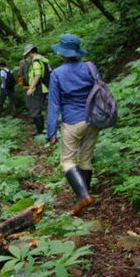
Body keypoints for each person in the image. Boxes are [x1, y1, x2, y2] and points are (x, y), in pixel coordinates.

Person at [46, 34, 100, 214]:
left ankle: (83, 195)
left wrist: (51, 132)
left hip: (72, 121)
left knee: (68, 161)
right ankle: (80, 198)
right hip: (93, 119)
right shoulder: (89, 67)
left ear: (62, 53)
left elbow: (54, 104)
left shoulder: (57, 74)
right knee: (85, 159)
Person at [19, 44, 49, 135]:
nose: (28, 56)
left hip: (38, 88)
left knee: (35, 110)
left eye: (28, 54)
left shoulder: (36, 61)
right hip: (42, 87)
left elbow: (38, 75)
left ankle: (40, 132)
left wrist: (31, 88)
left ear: (30, 52)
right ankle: (40, 130)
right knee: (37, 109)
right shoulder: (42, 59)